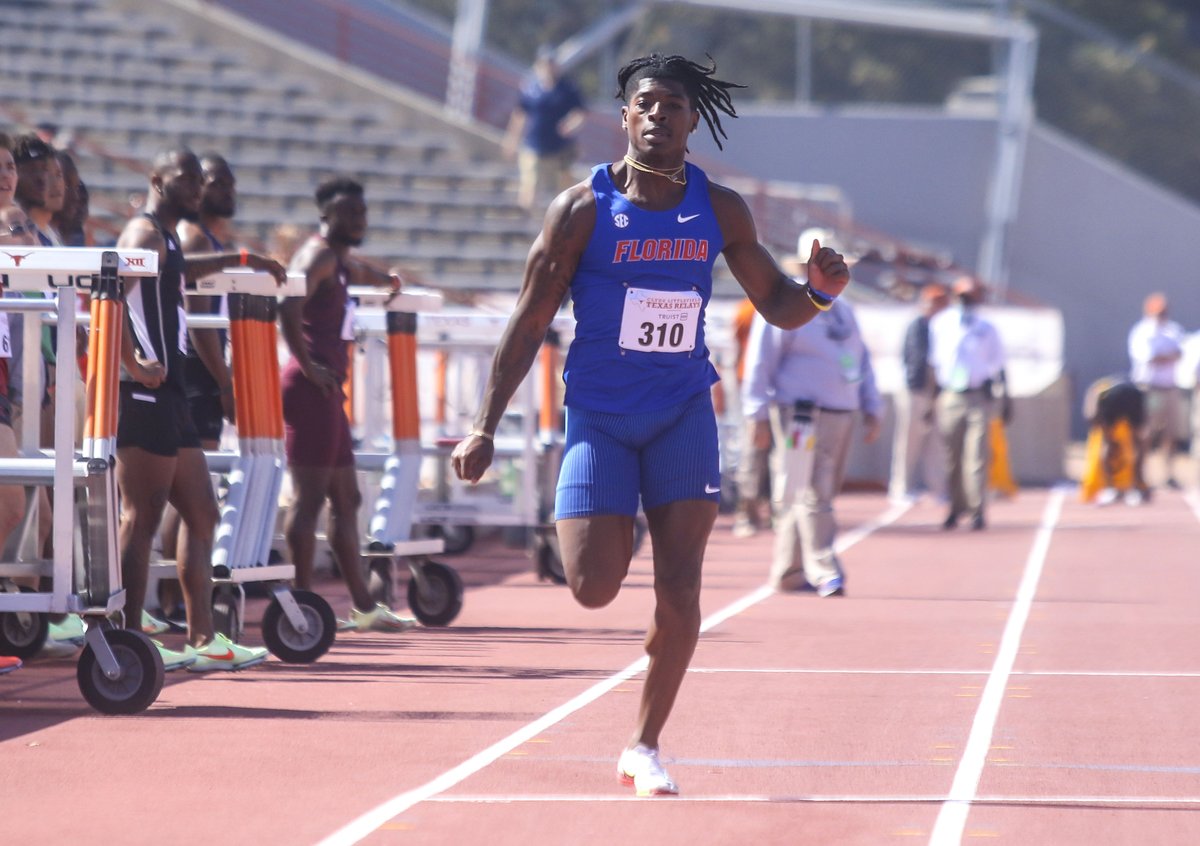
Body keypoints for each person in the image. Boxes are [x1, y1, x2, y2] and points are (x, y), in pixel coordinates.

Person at [451, 53, 850, 796]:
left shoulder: (721, 209)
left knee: (681, 589)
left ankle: (644, 744)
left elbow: (778, 304)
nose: (659, 114)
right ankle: (615, 517)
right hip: (600, 418)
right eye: (646, 104)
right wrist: (483, 425)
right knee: (592, 586)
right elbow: (530, 319)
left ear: (694, 120)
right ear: (625, 116)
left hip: (682, 413)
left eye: (673, 105)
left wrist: (820, 292)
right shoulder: (581, 209)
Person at [115, 147, 282, 671]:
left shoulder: (166, 238)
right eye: (184, 179)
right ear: (156, 180)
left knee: (202, 512)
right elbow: (106, 295)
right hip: (143, 392)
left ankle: (203, 639)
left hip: (172, 394)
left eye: (197, 181)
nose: (195, 189)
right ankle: (127, 636)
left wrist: (244, 260)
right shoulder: (143, 234)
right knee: (141, 516)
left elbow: (185, 269)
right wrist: (133, 362)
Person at [280, 176, 417, 633]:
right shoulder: (317, 256)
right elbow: (286, 306)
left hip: (327, 391)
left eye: (362, 212)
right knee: (309, 501)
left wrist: (387, 280)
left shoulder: (337, 261)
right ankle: (300, 608)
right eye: (349, 213)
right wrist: (308, 364)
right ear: (326, 214)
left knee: (347, 497)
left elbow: (358, 271)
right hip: (310, 388)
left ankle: (364, 607)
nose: (359, 220)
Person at [743, 294, 881, 596]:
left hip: (841, 412)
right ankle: (825, 569)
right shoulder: (784, 304)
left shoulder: (844, 309)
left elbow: (861, 358)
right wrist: (757, 413)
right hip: (801, 414)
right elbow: (760, 360)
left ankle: (788, 571)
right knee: (809, 490)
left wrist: (872, 405)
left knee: (811, 493)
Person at [928, 275, 1008, 531]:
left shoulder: (987, 327)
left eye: (971, 297)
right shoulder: (941, 323)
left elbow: (998, 364)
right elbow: (933, 363)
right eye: (963, 296)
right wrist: (931, 401)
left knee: (976, 456)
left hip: (977, 396)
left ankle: (977, 510)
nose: (966, 302)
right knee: (951, 457)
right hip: (951, 395)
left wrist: (1005, 397)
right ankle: (955, 507)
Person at [503, 45, 587, 212]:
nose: (548, 68)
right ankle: (528, 219)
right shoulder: (531, 88)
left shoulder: (567, 89)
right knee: (530, 186)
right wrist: (512, 139)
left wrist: (571, 125)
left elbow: (580, 113)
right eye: (544, 64)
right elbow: (520, 114)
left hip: (560, 148)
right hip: (533, 145)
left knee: (563, 190)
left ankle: (559, 220)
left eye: (551, 64)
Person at [889, 283, 949, 503]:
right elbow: (916, 360)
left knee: (936, 444)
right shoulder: (918, 325)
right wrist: (922, 389)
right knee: (908, 442)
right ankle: (900, 488)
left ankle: (938, 489)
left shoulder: (944, 327)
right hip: (915, 390)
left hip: (936, 392)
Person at [1127, 292, 1185, 490]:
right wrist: (1168, 356)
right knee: (1147, 432)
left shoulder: (1173, 330)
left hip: (1170, 388)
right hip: (1150, 389)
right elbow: (1150, 358)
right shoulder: (1142, 331)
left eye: (1164, 312)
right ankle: (1141, 473)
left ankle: (1168, 474)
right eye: (1159, 312)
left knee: (1171, 433)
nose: (1162, 316)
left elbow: (1180, 353)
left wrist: (1166, 356)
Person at [1080, 375, 1148, 506]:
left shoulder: (1100, 395)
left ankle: (1131, 488)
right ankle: (1118, 488)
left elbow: (1091, 416)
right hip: (1123, 398)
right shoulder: (1101, 392)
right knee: (1129, 444)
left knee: (1123, 444)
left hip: (1123, 399)